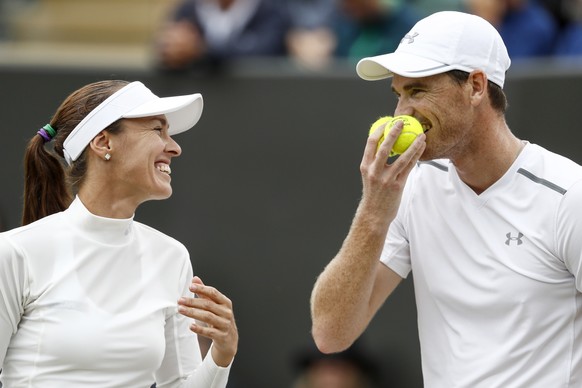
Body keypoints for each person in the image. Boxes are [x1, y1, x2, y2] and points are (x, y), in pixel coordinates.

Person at [310, 10, 582, 387]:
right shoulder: (413, 188)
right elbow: (330, 333)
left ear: (475, 86)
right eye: (398, 94)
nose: (402, 114)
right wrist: (374, 211)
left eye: (418, 91)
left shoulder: (569, 196)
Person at [0, 80, 238, 386]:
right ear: (103, 143)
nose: (175, 147)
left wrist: (222, 354)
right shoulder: (15, 252)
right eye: (157, 130)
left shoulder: (172, 257)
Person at [155, 0, 289, 71]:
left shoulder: (271, 12)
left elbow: (265, 52)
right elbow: (164, 50)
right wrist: (171, 49)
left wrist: (200, 51)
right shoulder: (188, 10)